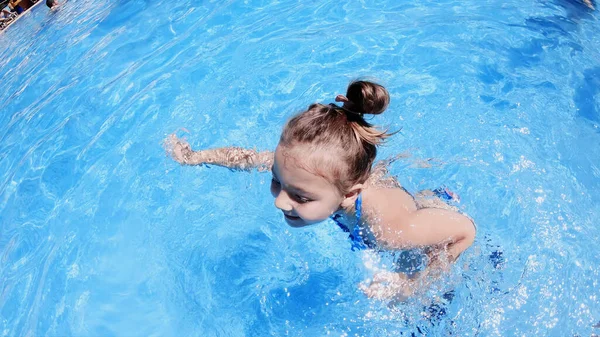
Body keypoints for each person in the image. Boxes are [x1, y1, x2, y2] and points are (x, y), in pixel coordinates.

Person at [165, 80, 476, 300]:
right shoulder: (301, 169)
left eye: (300, 196)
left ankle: (430, 199)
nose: (280, 201)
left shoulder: (388, 230)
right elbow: (250, 158)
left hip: (421, 225)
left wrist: (411, 285)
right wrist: (196, 157)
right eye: (277, 180)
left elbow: (465, 231)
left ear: (350, 193)